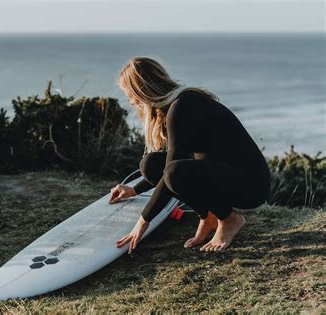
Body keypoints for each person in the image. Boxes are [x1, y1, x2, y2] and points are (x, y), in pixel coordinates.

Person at [110, 56, 271, 253]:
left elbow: (173, 171)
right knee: (150, 165)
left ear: (141, 90)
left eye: (129, 94)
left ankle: (229, 219)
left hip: (251, 185)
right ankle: (209, 216)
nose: (129, 100)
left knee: (174, 172)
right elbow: (172, 164)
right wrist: (135, 190)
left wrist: (143, 221)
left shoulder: (184, 105)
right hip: (225, 174)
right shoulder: (175, 106)